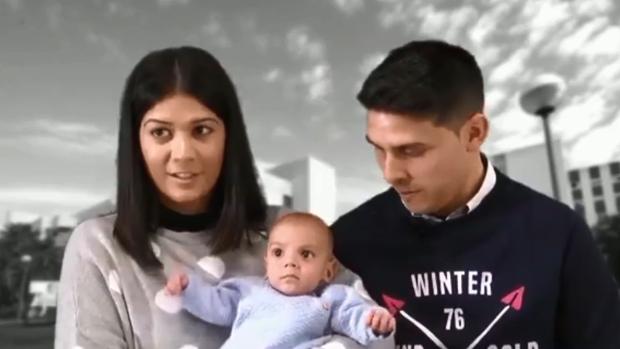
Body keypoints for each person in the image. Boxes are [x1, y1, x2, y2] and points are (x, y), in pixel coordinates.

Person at [55, 46, 388, 349]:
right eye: (161, 132)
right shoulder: (98, 247)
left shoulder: (286, 230)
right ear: (136, 142)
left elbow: (375, 334)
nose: (183, 153)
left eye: (202, 130)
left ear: (229, 137)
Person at [331, 39, 620, 348]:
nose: (390, 173)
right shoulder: (346, 242)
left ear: (474, 133)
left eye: (411, 150)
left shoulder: (558, 232)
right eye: (378, 148)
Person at [165, 212, 395, 349]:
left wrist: (373, 322)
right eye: (278, 253)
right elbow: (217, 304)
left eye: (305, 254)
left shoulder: (328, 300)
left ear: (327, 270)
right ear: (266, 261)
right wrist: (189, 290)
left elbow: (353, 315)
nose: (290, 263)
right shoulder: (249, 289)